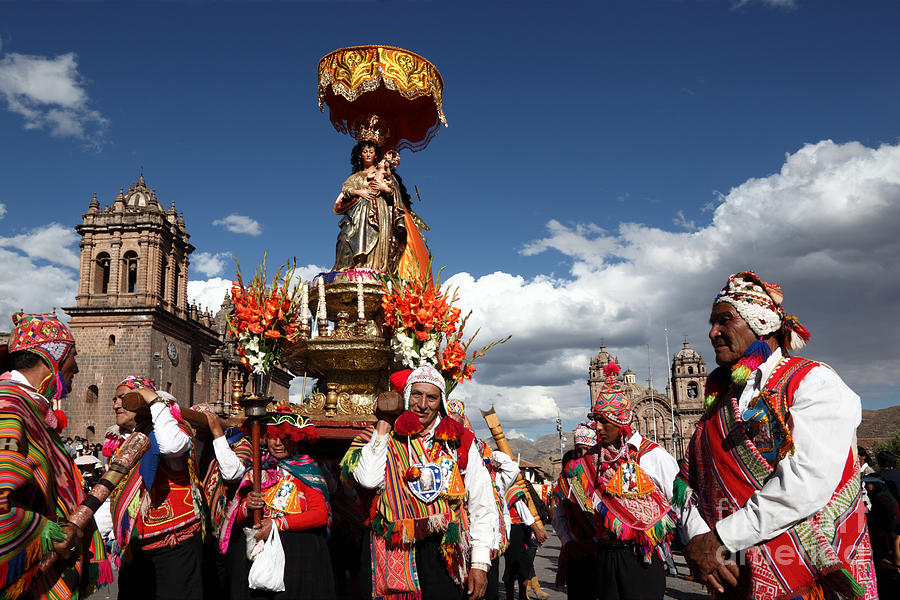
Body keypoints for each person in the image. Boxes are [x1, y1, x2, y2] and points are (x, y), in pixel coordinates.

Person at [676, 271, 877, 599]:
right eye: (712, 323)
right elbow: (688, 481)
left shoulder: (813, 383)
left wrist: (719, 539)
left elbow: (805, 485)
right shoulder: (717, 405)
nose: (712, 332)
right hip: (732, 577)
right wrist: (699, 536)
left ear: (763, 323)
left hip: (810, 576)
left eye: (724, 320)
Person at [342, 365, 496, 599]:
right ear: (406, 397)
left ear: (441, 401)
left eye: (431, 397)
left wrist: (479, 563)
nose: (423, 404)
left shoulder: (458, 442)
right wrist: (383, 425)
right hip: (389, 548)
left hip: (442, 551)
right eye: (417, 394)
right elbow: (368, 480)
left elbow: (481, 503)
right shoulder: (380, 437)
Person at [0, 312, 110, 598]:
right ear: (52, 359)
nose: (77, 365)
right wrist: (47, 534)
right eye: (73, 355)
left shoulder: (27, 408)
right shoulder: (9, 409)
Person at [582, 362, 678, 600]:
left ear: (622, 421)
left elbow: (681, 504)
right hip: (605, 557)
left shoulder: (654, 457)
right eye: (596, 420)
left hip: (642, 557)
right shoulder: (594, 459)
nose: (598, 427)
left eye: (604, 421)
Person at [107, 377, 206, 600]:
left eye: (122, 398)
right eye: (114, 399)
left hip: (172, 547)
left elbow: (170, 445)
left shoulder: (172, 431)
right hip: (136, 550)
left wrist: (153, 399)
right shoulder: (129, 440)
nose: (115, 405)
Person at [224, 409, 334, 600]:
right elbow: (237, 517)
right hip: (257, 548)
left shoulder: (307, 470)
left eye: (285, 438)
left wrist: (277, 524)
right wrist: (247, 506)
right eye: (273, 437)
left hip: (296, 553)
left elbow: (320, 515)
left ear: (296, 439)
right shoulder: (257, 469)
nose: (278, 443)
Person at [333, 130, 407, 274]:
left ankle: (373, 267)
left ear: (375, 155)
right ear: (360, 155)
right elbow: (346, 189)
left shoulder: (385, 175)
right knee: (346, 237)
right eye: (365, 151)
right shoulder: (356, 176)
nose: (368, 154)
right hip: (357, 214)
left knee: (377, 237)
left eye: (371, 151)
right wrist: (359, 192)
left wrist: (384, 188)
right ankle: (353, 267)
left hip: (379, 210)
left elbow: (395, 193)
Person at [553, 426, 600, 599]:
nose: (581, 455)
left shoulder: (606, 476)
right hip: (576, 552)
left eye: (587, 450)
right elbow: (559, 516)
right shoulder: (566, 480)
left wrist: (596, 542)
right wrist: (569, 543)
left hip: (602, 552)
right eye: (578, 450)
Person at [862, 474, 900, 597]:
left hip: (887, 540)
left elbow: (889, 522)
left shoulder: (882, 499)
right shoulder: (884, 496)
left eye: (868, 484)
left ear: (875, 484)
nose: (867, 487)